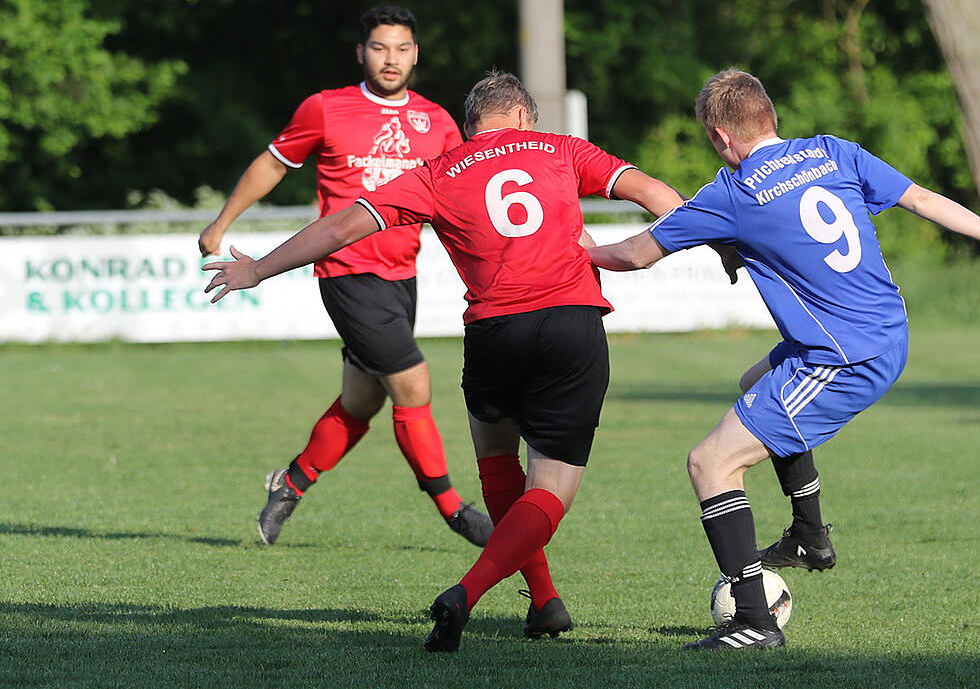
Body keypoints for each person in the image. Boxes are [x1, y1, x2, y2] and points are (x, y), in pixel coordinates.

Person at [202, 71, 687, 652]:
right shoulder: (562, 149)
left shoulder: (438, 171)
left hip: (492, 333)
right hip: (570, 323)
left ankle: (544, 600)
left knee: (497, 459)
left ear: (468, 126)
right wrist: (633, 251)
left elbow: (339, 226)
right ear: (526, 118)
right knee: (551, 488)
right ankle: (467, 592)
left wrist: (256, 269)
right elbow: (664, 199)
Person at [587, 69, 980, 650]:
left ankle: (754, 623)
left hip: (843, 358)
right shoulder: (834, 152)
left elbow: (634, 254)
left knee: (710, 463)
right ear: (771, 118)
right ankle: (809, 535)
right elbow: (925, 200)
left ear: (719, 137)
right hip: (885, 330)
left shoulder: (733, 192)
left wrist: (579, 250)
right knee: (755, 379)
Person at [197, 6, 493, 548]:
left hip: (402, 277)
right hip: (346, 272)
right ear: (361, 53)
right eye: (380, 48)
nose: (391, 59)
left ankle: (291, 483)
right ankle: (454, 510)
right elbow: (273, 162)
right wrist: (223, 221)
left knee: (362, 401)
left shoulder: (438, 121)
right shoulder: (327, 108)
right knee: (412, 382)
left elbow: (465, 191)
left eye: (401, 48)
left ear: (415, 54)